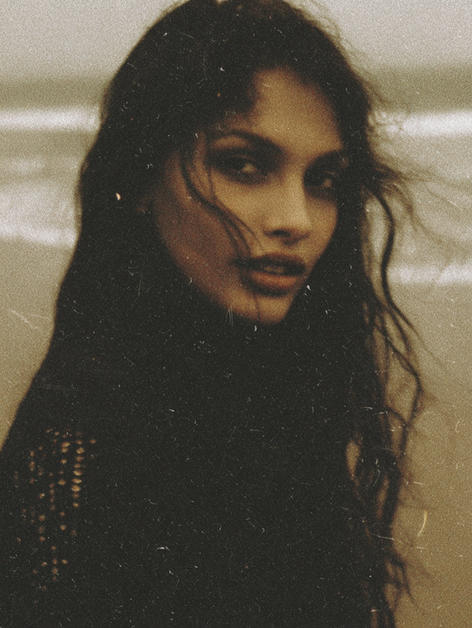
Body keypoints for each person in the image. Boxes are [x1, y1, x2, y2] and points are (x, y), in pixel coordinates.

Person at [0, 0, 421, 626]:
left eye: (323, 180)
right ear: (141, 176)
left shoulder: (277, 393)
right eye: (244, 166)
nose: (296, 219)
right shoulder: (82, 444)